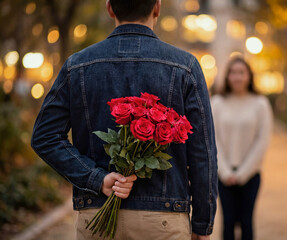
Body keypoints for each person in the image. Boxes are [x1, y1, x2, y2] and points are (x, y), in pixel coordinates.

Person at [31, 0, 218, 239]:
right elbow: (203, 154)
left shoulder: (77, 66)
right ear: (157, 8)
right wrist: (202, 225)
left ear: (109, 8)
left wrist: (97, 179)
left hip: (96, 216)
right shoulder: (186, 67)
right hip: (163, 220)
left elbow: (44, 136)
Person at [211, 57, 272, 240]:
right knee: (227, 222)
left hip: (251, 175)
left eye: (241, 72)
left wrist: (242, 174)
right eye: (233, 72)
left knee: (247, 222)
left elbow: (262, 141)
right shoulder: (217, 103)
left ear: (249, 76)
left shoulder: (260, 104)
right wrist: (226, 172)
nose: (237, 77)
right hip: (223, 175)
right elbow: (214, 140)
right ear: (227, 76)